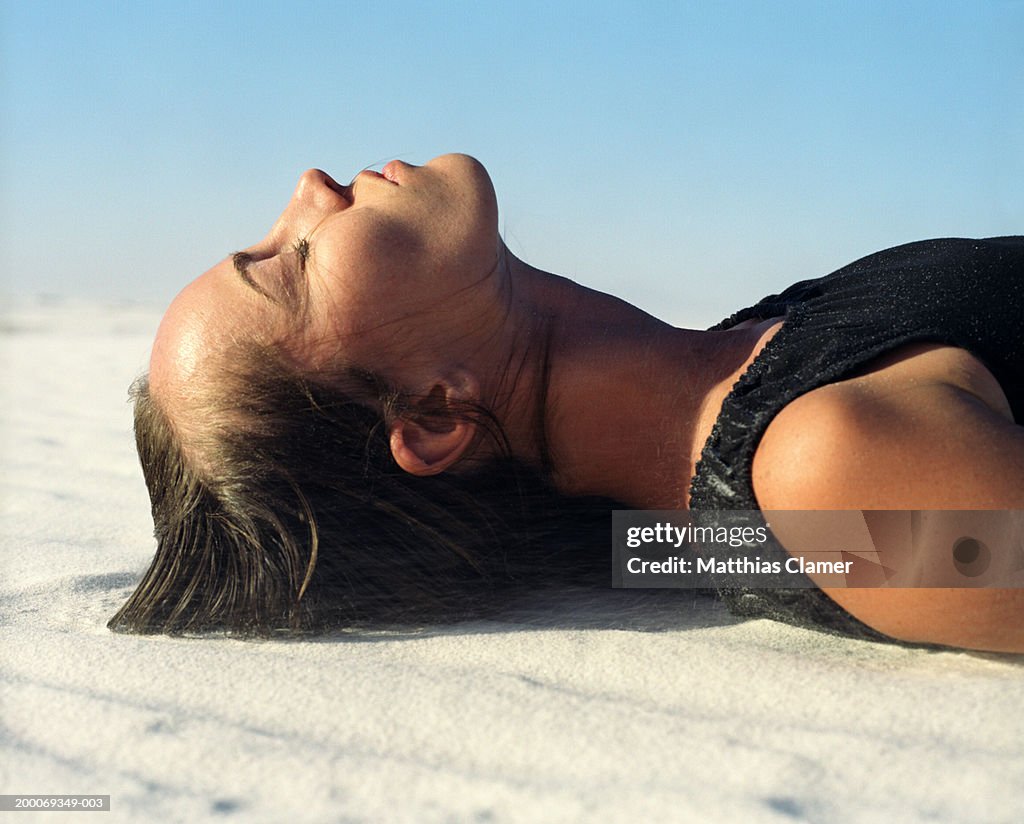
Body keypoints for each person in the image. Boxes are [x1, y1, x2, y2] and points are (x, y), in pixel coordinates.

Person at [108, 153, 1024, 652]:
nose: (309, 189)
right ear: (430, 416)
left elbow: (668, 547)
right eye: (289, 262)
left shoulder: (740, 371)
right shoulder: (822, 479)